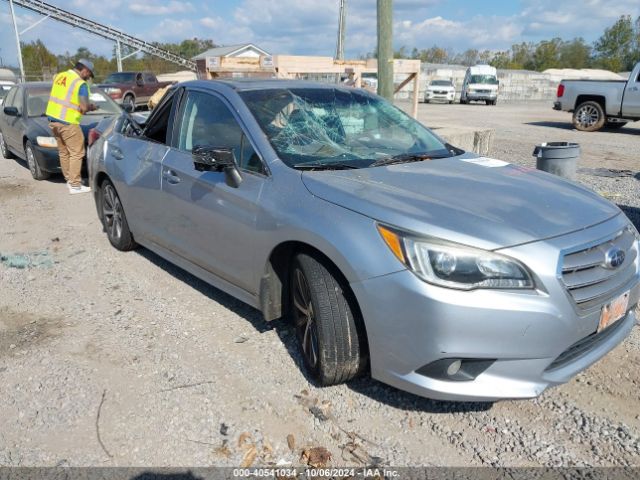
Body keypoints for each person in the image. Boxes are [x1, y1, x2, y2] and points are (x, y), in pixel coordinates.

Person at [46, 59, 97, 194]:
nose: (89, 78)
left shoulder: (60, 76)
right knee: (77, 152)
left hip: (53, 120)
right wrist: (93, 107)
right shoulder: (80, 83)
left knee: (64, 152)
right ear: (85, 70)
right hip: (68, 122)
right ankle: (75, 185)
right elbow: (84, 107)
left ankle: (69, 179)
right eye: (89, 75)